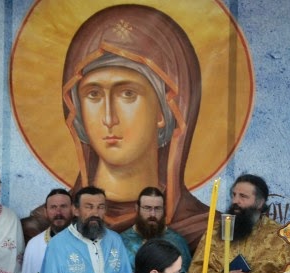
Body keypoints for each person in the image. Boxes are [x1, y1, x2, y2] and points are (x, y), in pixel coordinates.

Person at [61, 4, 209, 243]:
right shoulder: (53, 224)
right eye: (93, 95)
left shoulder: (204, 230)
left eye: (128, 94)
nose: (109, 118)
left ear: (163, 112)